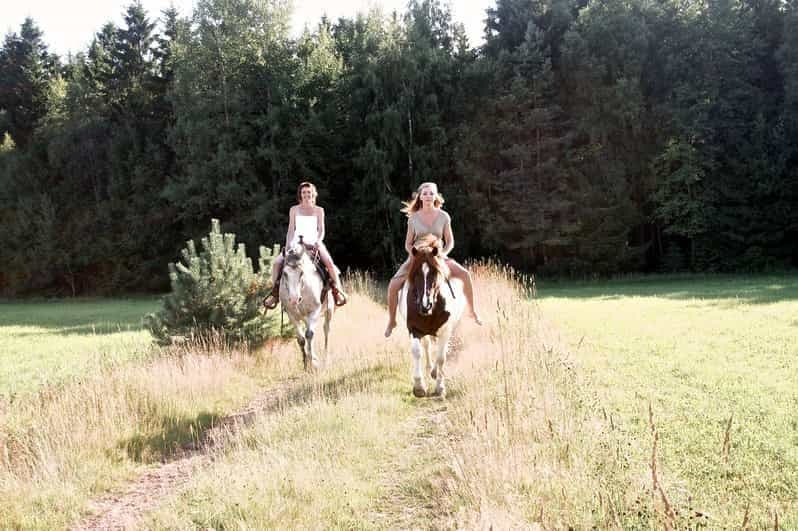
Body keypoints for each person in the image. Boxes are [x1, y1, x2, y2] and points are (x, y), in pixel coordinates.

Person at [384, 182, 482, 337]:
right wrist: (413, 254)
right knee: (393, 285)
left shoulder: (444, 216)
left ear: (436, 196)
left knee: (465, 275)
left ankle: (472, 311)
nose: (428, 196)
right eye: (425, 193)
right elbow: (407, 243)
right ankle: (392, 321)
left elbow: (450, 241)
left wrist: (443, 253)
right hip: (417, 258)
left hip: (437, 256)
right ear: (420, 197)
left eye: (431, 193)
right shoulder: (413, 219)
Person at [263, 181, 347, 309]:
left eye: (309, 192)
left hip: (314, 244)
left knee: (329, 264)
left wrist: (318, 242)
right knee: (276, 263)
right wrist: (288, 245)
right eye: (304, 192)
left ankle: (337, 292)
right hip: (296, 245)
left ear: (313, 194)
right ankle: (275, 294)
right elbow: (291, 229)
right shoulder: (294, 209)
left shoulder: (319, 210)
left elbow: (321, 229)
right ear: (300, 194)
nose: (306, 194)